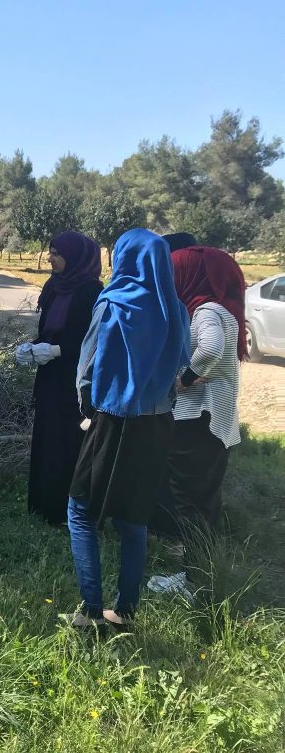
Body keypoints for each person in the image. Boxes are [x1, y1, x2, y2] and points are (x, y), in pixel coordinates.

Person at [62, 228, 191, 631]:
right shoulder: (176, 308)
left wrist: (87, 412)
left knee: (80, 512)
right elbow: (182, 365)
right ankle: (125, 612)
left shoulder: (113, 302)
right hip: (157, 425)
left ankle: (89, 611)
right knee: (133, 519)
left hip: (114, 420)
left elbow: (86, 368)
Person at [148, 246, 245, 597]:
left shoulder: (206, 311)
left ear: (191, 276)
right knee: (203, 503)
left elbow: (211, 348)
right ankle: (200, 574)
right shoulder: (220, 311)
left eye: (175, 272)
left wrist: (183, 380)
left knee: (190, 502)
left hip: (198, 421)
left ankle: (192, 583)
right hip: (212, 423)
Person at [16, 231, 104, 526]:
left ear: (75, 257)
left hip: (75, 379)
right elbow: (48, 330)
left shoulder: (92, 292)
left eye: (56, 254)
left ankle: (66, 511)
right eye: (50, 252)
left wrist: (57, 350)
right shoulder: (53, 286)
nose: (50, 258)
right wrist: (33, 348)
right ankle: (43, 505)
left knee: (68, 440)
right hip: (49, 376)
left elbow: (94, 341)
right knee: (46, 437)